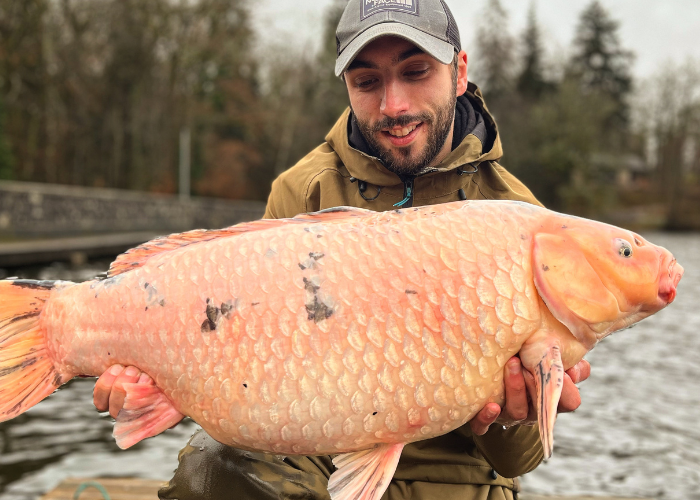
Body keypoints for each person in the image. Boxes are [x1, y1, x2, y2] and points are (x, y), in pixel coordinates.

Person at [93, 0, 591, 498]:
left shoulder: (521, 221)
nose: (393, 105)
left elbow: (521, 461)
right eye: (367, 81)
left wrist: (512, 417)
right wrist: (153, 379)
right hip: (314, 464)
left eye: (416, 72)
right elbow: (239, 372)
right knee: (209, 470)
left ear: (459, 72)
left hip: (457, 482)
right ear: (347, 86)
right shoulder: (301, 191)